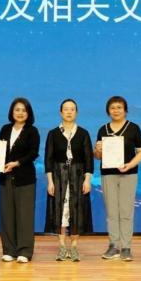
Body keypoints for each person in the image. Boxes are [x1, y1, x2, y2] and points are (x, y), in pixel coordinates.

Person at [93, 96, 141, 261]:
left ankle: (126, 247)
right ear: (108, 111)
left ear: (125, 110)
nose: (116, 110)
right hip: (108, 174)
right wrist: (98, 150)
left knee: (126, 211)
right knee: (111, 212)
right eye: (112, 108)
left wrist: (130, 165)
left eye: (119, 107)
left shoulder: (133, 128)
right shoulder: (103, 129)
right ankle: (113, 245)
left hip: (129, 174)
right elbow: (97, 156)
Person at [44, 98, 94, 262]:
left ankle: (73, 247)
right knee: (60, 210)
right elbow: (48, 159)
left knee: (77, 210)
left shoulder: (83, 133)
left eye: (72, 109)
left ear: (76, 112)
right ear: (61, 112)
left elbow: (89, 160)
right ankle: (61, 246)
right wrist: (50, 181)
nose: (69, 112)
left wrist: (87, 180)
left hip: (78, 176)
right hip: (58, 176)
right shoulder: (53, 134)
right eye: (66, 109)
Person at [0, 97, 40, 263]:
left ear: (28, 113)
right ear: (12, 112)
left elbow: (33, 153)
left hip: (25, 178)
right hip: (6, 177)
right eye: (17, 110)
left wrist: (16, 163)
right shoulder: (5, 129)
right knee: (7, 214)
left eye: (24, 110)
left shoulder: (32, 131)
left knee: (25, 215)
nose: (20, 113)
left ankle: (25, 251)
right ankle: (9, 250)